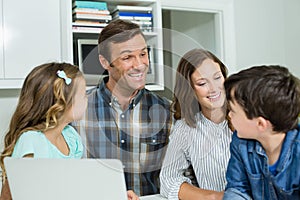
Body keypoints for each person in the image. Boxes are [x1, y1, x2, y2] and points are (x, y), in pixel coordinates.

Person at [0, 62, 139, 200]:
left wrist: (116, 195)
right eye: (83, 94)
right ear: (62, 102)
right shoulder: (31, 141)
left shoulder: (70, 137)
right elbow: (12, 195)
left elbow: (77, 186)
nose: (87, 99)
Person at [72, 19, 172, 196]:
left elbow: (177, 177)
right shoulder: (78, 111)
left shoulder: (167, 112)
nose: (140, 65)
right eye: (127, 57)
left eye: (143, 54)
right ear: (104, 62)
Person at [160, 48, 233, 200]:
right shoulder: (186, 128)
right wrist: (213, 197)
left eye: (217, 78)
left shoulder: (249, 118)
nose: (214, 88)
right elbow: (168, 179)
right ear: (190, 89)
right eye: (202, 83)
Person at [223, 65, 300, 199]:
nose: (229, 115)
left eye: (233, 111)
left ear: (260, 124)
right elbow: (237, 189)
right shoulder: (240, 142)